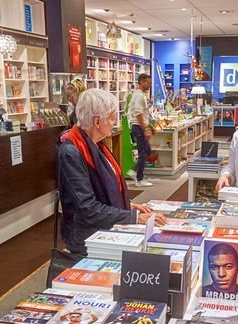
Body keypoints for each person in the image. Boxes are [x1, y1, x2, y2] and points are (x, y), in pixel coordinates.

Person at [57, 89, 166, 256]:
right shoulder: (72, 151)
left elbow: (103, 190)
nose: (115, 122)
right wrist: (134, 217)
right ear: (97, 122)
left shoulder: (96, 145)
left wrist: (127, 205)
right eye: (112, 117)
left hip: (102, 232)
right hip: (88, 240)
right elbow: (87, 207)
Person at [126, 73, 155, 187]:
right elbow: (138, 114)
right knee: (143, 152)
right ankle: (139, 179)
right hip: (138, 127)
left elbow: (143, 113)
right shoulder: (139, 95)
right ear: (142, 82)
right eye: (148, 82)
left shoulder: (141, 95)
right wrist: (145, 129)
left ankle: (134, 171)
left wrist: (150, 126)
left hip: (139, 126)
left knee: (147, 150)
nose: (149, 85)